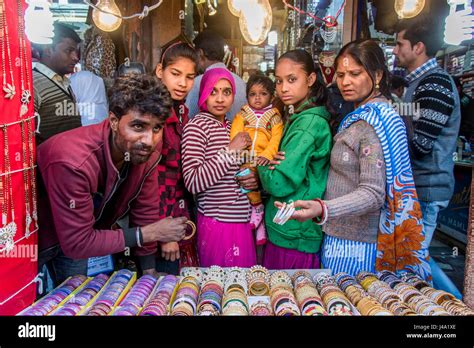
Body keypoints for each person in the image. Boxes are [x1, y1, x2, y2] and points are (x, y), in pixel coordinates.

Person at [275, 40, 431, 280]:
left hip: (356, 245)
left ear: (377, 74)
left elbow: (373, 193)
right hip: (342, 236)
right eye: (340, 74)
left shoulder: (371, 125)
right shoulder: (361, 117)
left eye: (355, 74)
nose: (345, 82)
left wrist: (323, 208)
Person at [36, 74, 188, 285]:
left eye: (157, 128)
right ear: (114, 121)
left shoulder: (145, 152)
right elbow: (78, 242)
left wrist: (149, 272)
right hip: (37, 239)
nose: (148, 140)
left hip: (80, 239)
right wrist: (150, 233)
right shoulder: (73, 160)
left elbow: (145, 209)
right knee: (36, 305)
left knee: (74, 300)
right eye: (138, 127)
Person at [394, 15, 462, 296]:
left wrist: (392, 124)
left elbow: (421, 143)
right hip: (417, 187)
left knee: (414, 261)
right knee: (413, 258)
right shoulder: (418, 83)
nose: (396, 50)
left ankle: (455, 305)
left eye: (400, 44)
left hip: (426, 188)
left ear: (418, 46)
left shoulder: (434, 84)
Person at [257, 50, 332, 269]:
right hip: (289, 226)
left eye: (292, 80)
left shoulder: (307, 125)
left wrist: (262, 163)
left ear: (310, 79)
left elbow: (278, 182)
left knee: (288, 299)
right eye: (279, 81)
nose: (283, 88)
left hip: (294, 231)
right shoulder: (298, 116)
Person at [182, 68, 256, 267]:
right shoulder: (196, 127)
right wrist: (230, 150)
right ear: (203, 94)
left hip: (242, 220)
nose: (220, 98)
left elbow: (241, 171)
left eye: (226, 92)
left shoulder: (235, 127)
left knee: (242, 289)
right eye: (213, 91)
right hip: (216, 222)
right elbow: (193, 182)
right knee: (217, 289)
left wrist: (253, 180)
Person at [136, 42, 199, 276]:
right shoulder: (152, 115)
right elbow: (153, 178)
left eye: (190, 77)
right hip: (155, 220)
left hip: (177, 214)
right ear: (160, 70)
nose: (183, 83)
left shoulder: (182, 111)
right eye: (175, 74)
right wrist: (164, 233)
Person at [230, 74, 283, 246]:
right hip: (246, 156)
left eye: (263, 94)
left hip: (263, 159)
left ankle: (259, 216)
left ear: (272, 96)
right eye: (253, 94)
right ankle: (256, 215)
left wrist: (267, 155)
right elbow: (235, 134)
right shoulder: (243, 114)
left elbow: (276, 139)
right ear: (247, 97)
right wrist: (236, 150)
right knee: (244, 180)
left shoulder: (274, 117)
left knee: (259, 184)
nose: (257, 98)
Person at [33, 23, 82, 145]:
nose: (76, 57)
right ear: (48, 49)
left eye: (76, 51)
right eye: (69, 51)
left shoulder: (63, 81)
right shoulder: (34, 83)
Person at [185, 30, 246, 121]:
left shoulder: (198, 82)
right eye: (213, 92)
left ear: (200, 54)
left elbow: (188, 117)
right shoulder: (241, 82)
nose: (220, 100)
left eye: (227, 92)